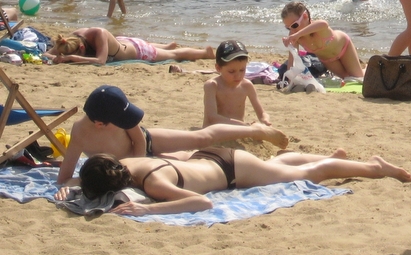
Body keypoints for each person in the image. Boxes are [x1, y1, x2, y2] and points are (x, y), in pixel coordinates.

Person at [55, 84, 288, 188]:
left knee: (201, 138)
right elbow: (65, 176)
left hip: (144, 145)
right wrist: (74, 183)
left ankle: (255, 130)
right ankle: (263, 166)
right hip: (131, 167)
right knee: (191, 160)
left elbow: (137, 138)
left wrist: (140, 165)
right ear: (100, 124)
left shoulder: (120, 118)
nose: (127, 122)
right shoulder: (80, 133)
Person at [72, 147, 411, 215]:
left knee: (308, 174)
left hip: (232, 169)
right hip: (209, 157)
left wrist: (147, 212)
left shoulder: (154, 186)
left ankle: (375, 168)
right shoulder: (127, 162)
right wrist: (70, 186)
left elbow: (202, 202)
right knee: (278, 164)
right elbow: (83, 177)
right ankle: (337, 157)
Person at [281, 1, 364, 79]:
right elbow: (292, 60)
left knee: (358, 77)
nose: (292, 30)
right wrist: (289, 79)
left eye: (294, 25)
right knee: (347, 78)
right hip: (328, 60)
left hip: (344, 48)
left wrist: (297, 35)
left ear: (305, 16)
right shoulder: (294, 36)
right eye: (288, 28)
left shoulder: (316, 26)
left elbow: (324, 24)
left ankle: (367, 68)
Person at [47, 27, 215, 65]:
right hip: (122, 42)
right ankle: (166, 45)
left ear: (81, 49)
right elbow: (48, 54)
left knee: (176, 55)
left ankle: (204, 52)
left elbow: (100, 61)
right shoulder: (71, 39)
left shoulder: (98, 34)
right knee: (158, 49)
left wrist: (69, 58)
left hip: (137, 51)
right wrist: (56, 56)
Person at [203, 40, 275, 126]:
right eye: (231, 71)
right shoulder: (212, 86)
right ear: (218, 68)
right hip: (214, 132)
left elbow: (262, 113)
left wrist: (265, 119)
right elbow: (212, 117)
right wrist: (244, 125)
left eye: (242, 70)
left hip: (237, 130)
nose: (238, 76)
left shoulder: (246, 85)